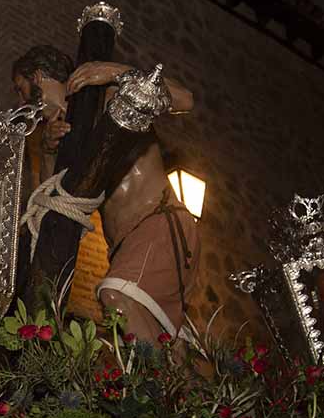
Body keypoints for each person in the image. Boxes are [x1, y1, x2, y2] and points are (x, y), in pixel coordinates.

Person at [12, 41, 199, 344]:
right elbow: (49, 208)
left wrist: (113, 72)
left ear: (37, 77)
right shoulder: (69, 133)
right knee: (143, 338)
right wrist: (48, 152)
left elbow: (185, 99)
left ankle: (164, 376)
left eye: (21, 90)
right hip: (125, 245)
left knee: (115, 296)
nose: (21, 102)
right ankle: (180, 370)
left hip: (158, 222)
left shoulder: (109, 98)